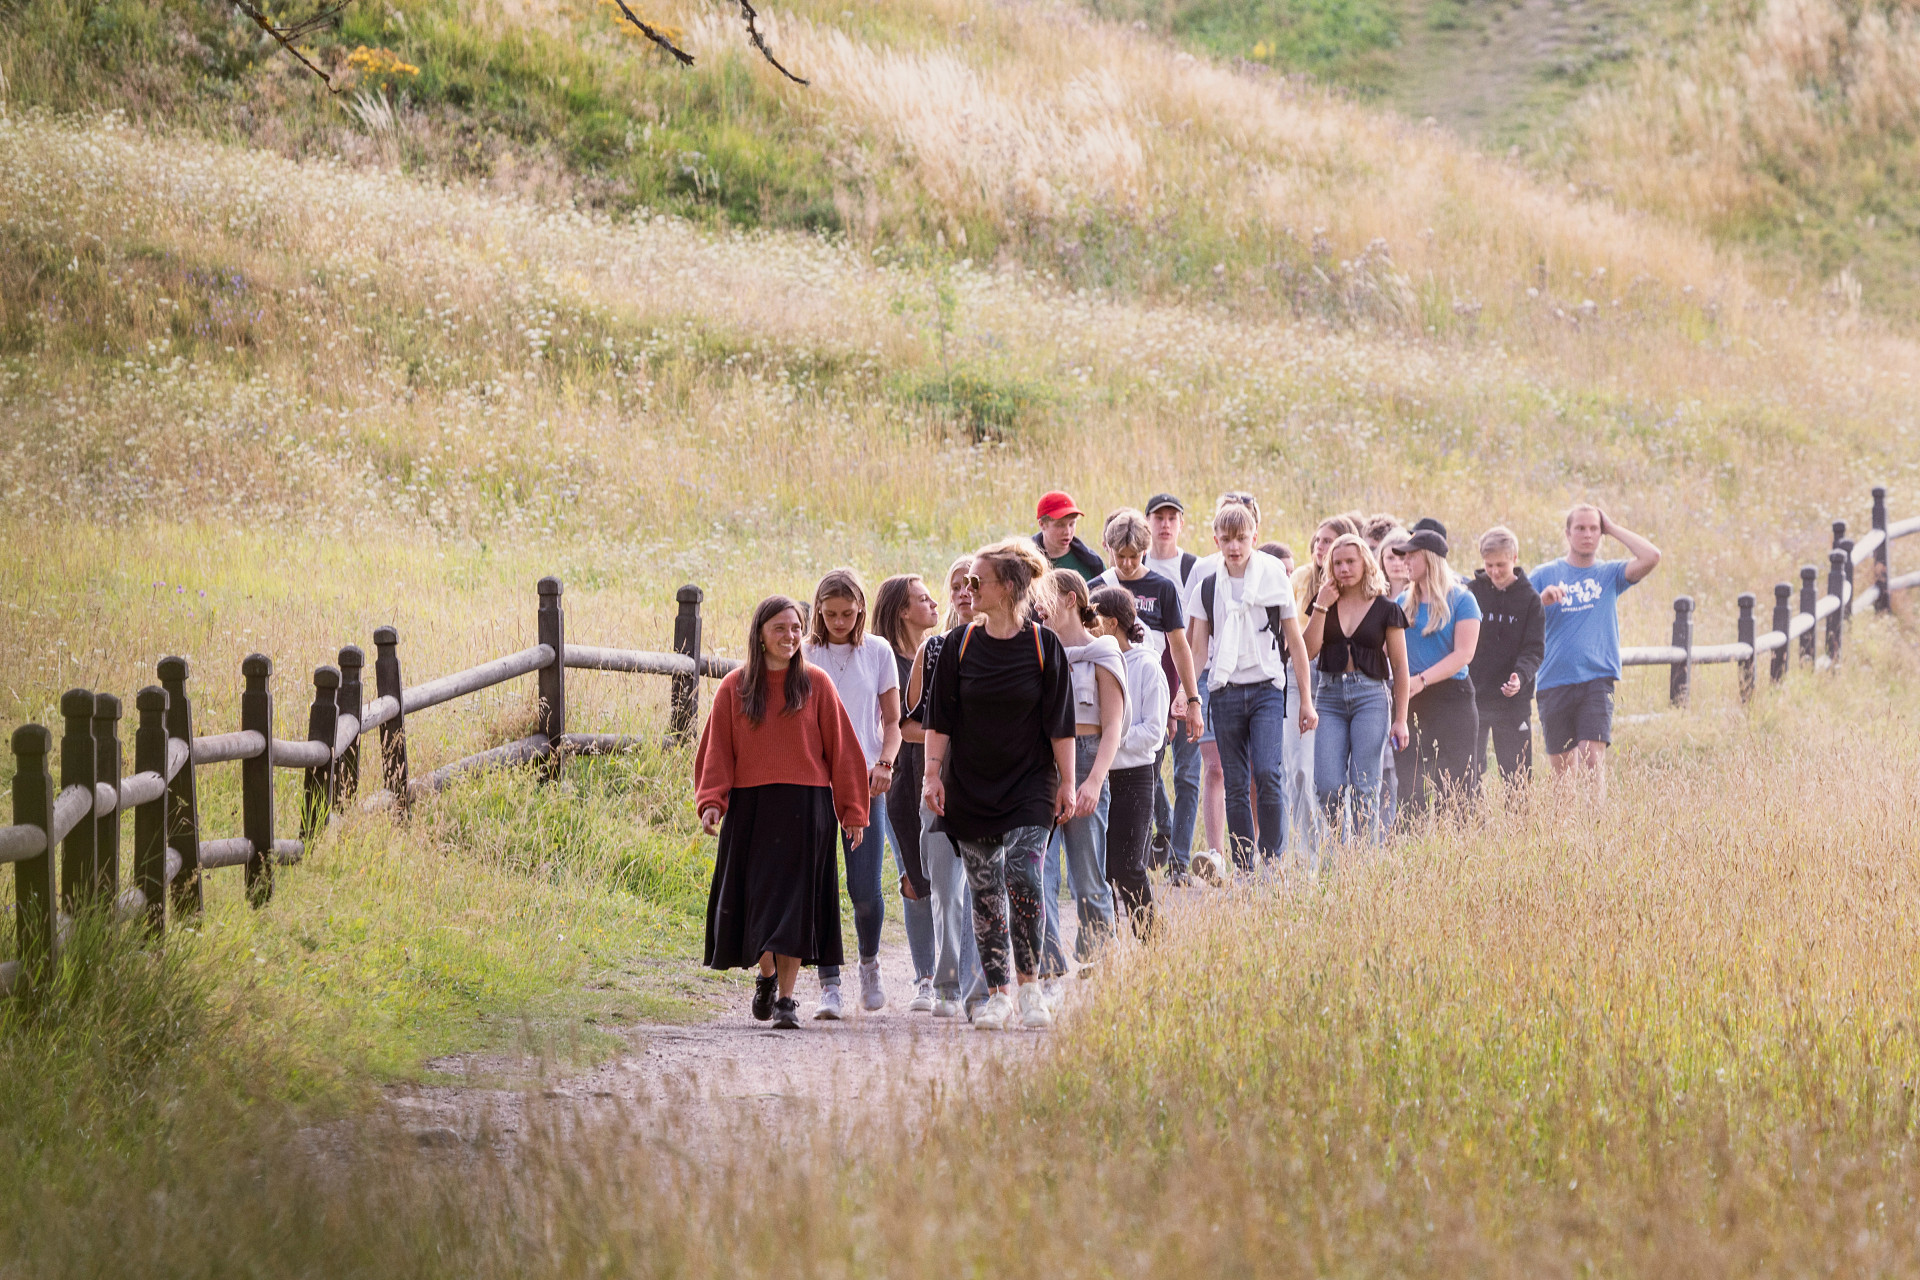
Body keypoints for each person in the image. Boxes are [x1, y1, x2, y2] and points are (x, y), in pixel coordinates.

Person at [922, 539, 1077, 1032]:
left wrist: (1069, 782)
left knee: (1026, 878)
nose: (968, 590)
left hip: (1031, 784)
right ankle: (998, 995)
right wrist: (930, 775)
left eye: (976, 581)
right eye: (966, 581)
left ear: (1007, 587)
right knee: (986, 891)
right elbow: (939, 719)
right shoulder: (958, 645)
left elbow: (1061, 724)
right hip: (970, 785)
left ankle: (1031, 988)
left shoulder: (1042, 645)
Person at [696, 597, 871, 1030]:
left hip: (806, 810)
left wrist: (852, 810)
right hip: (752, 810)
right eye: (780, 628)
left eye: (796, 628)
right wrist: (712, 802)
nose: (791, 636)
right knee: (757, 906)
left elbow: (843, 751)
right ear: (760, 633)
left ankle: (787, 1002)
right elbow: (717, 751)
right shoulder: (734, 687)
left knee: (796, 908)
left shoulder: (817, 684)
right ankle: (767, 976)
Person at [1188, 501, 1317, 873]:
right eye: (1226, 539)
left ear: (1254, 538)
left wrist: (1306, 700)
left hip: (1266, 689)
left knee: (1267, 772)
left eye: (1241, 538)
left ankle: (1273, 861)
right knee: (1236, 779)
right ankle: (1245, 865)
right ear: (1216, 540)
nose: (1234, 547)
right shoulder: (1208, 585)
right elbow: (1198, 650)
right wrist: (1189, 696)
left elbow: (1296, 643)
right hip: (1225, 689)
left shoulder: (1274, 578)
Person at [803, 569, 901, 1019]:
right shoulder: (806, 653)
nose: (839, 621)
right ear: (819, 611)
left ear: (861, 607)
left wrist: (885, 762)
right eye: (831, 613)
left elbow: (893, 723)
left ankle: (869, 962)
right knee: (820, 883)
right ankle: (829, 985)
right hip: (815, 782)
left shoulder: (877, 651)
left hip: (864, 780)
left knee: (863, 887)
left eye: (847, 612)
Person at [1034, 569, 1127, 995]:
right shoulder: (1037, 650)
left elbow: (1113, 727)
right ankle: (1049, 965)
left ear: (1070, 599)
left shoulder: (1103, 651)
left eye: (1044, 599)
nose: (1037, 607)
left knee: (1086, 873)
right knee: (1040, 872)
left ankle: (1098, 957)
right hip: (1043, 765)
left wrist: (1093, 782)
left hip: (1089, 758)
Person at [1530, 505, 1662, 799]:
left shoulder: (1609, 574)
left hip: (1597, 679)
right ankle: (1564, 836)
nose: (1587, 534)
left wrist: (1613, 527)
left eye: (1593, 528)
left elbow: (1652, 556)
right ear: (1567, 533)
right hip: (1554, 680)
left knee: (1592, 758)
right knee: (1563, 771)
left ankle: (1596, 831)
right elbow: (1518, 614)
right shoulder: (1545, 574)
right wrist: (1541, 600)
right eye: (1580, 528)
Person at [904, 559, 988, 1019]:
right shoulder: (932, 650)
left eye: (971, 584)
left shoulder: (1006, 647)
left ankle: (979, 986)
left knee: (983, 887)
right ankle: (947, 986)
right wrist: (950, 737)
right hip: (937, 788)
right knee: (944, 891)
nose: (962, 592)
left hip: (987, 787)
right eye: (955, 586)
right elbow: (910, 725)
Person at [1302, 535, 1410, 851]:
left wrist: (1401, 719)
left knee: (1365, 786)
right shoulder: (1323, 603)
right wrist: (1321, 604)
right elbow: (1308, 651)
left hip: (1371, 697)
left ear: (1365, 563)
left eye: (1351, 561)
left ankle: (1362, 863)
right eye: (1338, 563)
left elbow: (1401, 669)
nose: (1345, 568)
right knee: (1328, 786)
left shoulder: (1386, 608)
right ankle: (1340, 849)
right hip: (1330, 696)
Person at [872, 573, 942, 1011]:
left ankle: (957, 972)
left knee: (949, 878)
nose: (933, 604)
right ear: (901, 609)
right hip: (897, 785)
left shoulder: (939, 655)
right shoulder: (885, 662)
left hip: (938, 780)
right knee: (914, 880)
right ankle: (926, 978)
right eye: (922, 599)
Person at [1091, 586, 1168, 937]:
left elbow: (1153, 731)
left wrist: (1111, 737)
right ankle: (1103, 945)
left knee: (1128, 865)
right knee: (1099, 868)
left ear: (1110, 623)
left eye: (1090, 618)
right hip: (1099, 775)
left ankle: (1151, 940)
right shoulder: (1092, 661)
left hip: (1135, 777)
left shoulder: (1147, 666)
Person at [1392, 529, 1482, 818]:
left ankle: (1455, 852)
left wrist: (1423, 679)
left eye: (1411, 556)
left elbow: (1463, 654)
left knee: (1455, 785)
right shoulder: (1400, 603)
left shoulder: (1463, 600)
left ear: (1430, 559)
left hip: (1451, 698)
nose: (1405, 562)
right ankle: (1412, 852)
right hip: (1410, 698)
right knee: (1410, 785)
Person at [1092, 508, 1200, 742]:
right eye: (1120, 556)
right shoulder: (1096, 588)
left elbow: (1179, 647)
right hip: (1105, 684)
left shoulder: (1163, 588)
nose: (1127, 564)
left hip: (1149, 689)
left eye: (1135, 556)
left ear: (1145, 550)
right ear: (1108, 548)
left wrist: (1192, 699)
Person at [1143, 494, 1204, 881]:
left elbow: (1195, 634)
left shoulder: (1193, 567)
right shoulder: (1138, 564)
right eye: (1158, 517)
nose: (1165, 524)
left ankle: (1180, 860)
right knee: (1147, 767)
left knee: (1187, 773)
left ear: (1182, 523)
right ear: (1148, 522)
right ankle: (1162, 827)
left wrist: (1190, 691)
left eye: (1172, 517)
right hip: (1149, 682)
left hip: (1189, 678)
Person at [1467, 527, 1545, 791]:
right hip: (1473, 696)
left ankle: (1519, 830)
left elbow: (1534, 649)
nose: (1495, 571)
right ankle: (1469, 826)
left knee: (1518, 777)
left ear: (1514, 558)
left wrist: (1520, 678)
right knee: (1466, 773)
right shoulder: (1471, 593)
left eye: (1501, 564)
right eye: (1489, 565)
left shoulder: (1530, 599)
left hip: (1513, 699)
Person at [1033, 490, 1105, 580]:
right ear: (1042, 524)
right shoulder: (1025, 561)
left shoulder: (1092, 562)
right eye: (1060, 525)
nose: (1067, 531)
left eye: (1072, 524)